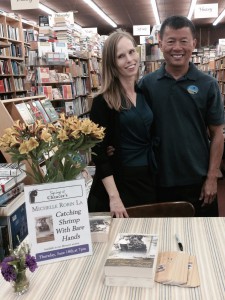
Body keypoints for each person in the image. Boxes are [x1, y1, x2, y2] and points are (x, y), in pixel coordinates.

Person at [139, 16, 225, 216]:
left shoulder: (208, 84)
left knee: (203, 242)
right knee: (164, 241)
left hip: (199, 180)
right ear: (160, 43)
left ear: (194, 44)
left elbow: (217, 134)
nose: (177, 47)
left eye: (184, 41)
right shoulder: (147, 85)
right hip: (159, 180)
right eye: (171, 41)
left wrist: (212, 177)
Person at [88, 29, 157, 218]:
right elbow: (99, 153)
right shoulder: (103, 101)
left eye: (131, 52)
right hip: (121, 182)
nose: (129, 59)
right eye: (121, 56)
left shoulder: (144, 93)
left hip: (148, 178)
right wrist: (114, 196)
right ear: (112, 64)